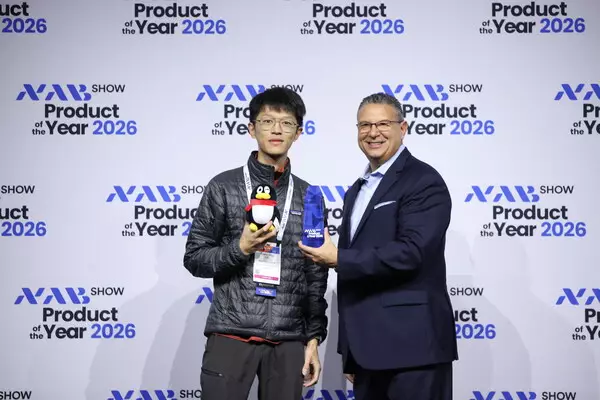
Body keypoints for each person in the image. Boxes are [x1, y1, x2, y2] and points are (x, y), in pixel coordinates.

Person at [298, 92, 458, 400]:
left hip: (414, 351)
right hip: (368, 354)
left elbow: (412, 253)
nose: (373, 132)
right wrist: (351, 351)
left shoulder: (423, 180)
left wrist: (339, 258)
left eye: (383, 124)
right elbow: (353, 281)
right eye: (365, 125)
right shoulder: (356, 191)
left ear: (403, 128)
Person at [184, 87, 329, 400]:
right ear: (252, 129)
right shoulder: (223, 186)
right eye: (267, 121)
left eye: (286, 123)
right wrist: (240, 249)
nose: (276, 130)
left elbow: (316, 276)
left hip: (289, 339)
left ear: (298, 133)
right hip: (232, 333)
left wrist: (313, 339)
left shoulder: (310, 196)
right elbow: (195, 257)